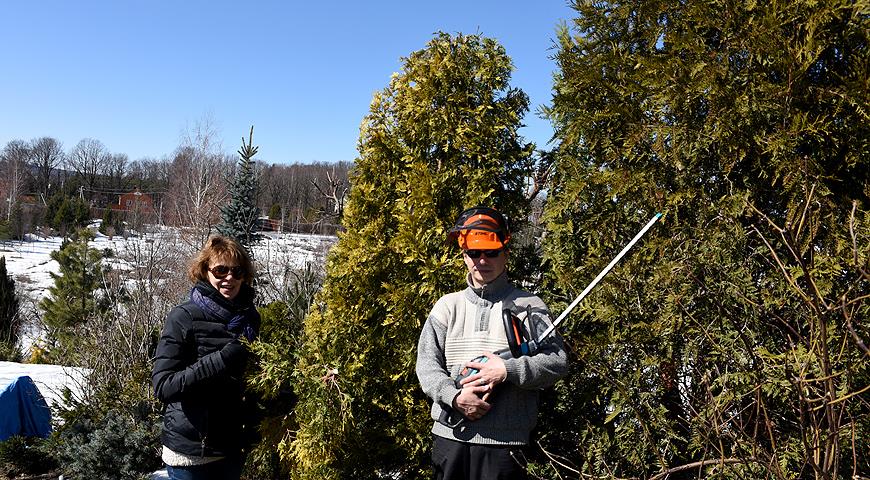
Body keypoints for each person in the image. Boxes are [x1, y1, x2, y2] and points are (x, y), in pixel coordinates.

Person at [416, 206, 569, 480]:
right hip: (450, 439)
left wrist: (506, 370)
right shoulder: (447, 306)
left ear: (506, 254)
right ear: (464, 256)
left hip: (506, 447)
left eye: (491, 252)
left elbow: (556, 362)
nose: (482, 260)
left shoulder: (529, 305)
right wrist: (454, 397)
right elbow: (426, 366)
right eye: (474, 253)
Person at [152, 235, 260, 480]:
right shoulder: (183, 317)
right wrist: (220, 360)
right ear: (204, 271)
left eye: (237, 271)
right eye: (220, 270)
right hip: (191, 453)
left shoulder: (250, 319)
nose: (229, 278)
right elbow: (163, 386)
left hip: (232, 448)